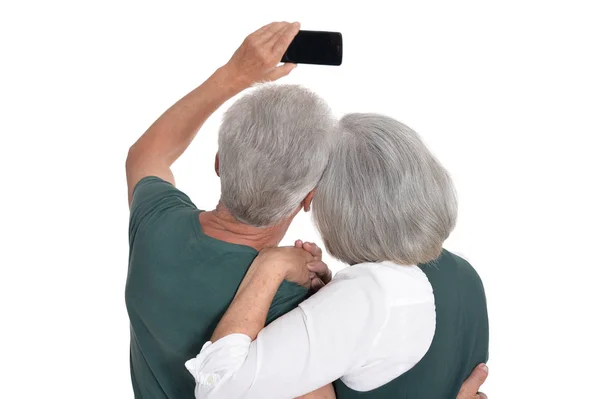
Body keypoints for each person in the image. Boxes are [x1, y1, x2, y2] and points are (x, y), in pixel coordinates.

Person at [125, 20, 489, 399]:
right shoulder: (293, 312)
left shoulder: (155, 224)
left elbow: (146, 154)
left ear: (218, 162)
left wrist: (234, 75)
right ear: (309, 198)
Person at [185, 114, 489, 398]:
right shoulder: (463, 272)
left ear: (340, 206)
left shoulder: (370, 292)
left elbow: (219, 385)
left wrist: (270, 263)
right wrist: (329, 300)